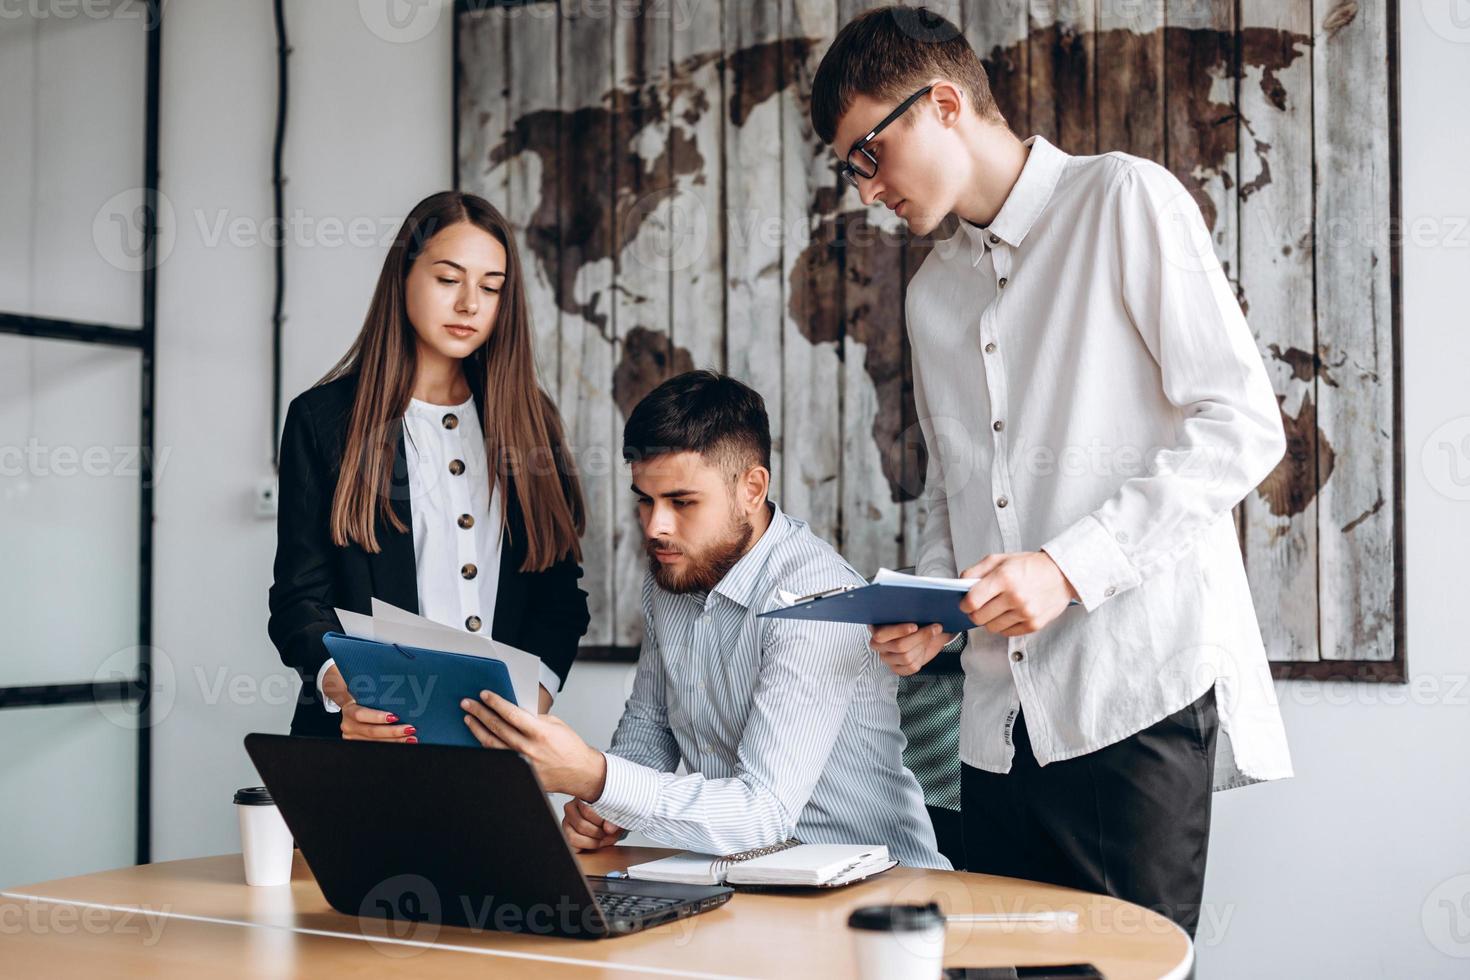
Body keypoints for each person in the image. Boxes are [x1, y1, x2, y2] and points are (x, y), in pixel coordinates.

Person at [809, 6, 1293, 935]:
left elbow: (1240, 425)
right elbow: (967, 494)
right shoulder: (929, 294)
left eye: (867, 154)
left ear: (942, 103)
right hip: (988, 726)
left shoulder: (1123, 200)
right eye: (850, 169)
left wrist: (1066, 569)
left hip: (1130, 698)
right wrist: (934, 612)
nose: (865, 190)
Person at [459, 370, 948, 869]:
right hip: (744, 880)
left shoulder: (814, 599)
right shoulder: (674, 573)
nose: (656, 527)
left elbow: (762, 817)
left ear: (752, 488)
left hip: (875, 889)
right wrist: (608, 808)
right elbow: (653, 724)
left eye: (682, 502)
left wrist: (597, 777)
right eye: (645, 501)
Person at [268, 190, 590, 740]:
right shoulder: (323, 420)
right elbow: (299, 599)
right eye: (448, 279)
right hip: (360, 743)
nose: (470, 304)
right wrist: (346, 693)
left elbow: (559, 598)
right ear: (403, 278)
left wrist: (526, 710)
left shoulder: (531, 422)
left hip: (497, 752)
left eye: (491, 288)